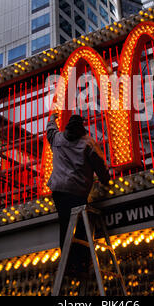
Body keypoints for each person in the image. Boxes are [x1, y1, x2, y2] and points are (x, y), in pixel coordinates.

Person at [46, 112, 110, 275]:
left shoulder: (58, 138)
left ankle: (68, 264)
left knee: (65, 225)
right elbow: (100, 165)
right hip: (77, 192)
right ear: (82, 127)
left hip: (59, 191)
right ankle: (82, 263)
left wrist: (53, 118)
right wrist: (105, 179)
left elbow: (50, 130)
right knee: (81, 227)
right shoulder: (87, 143)